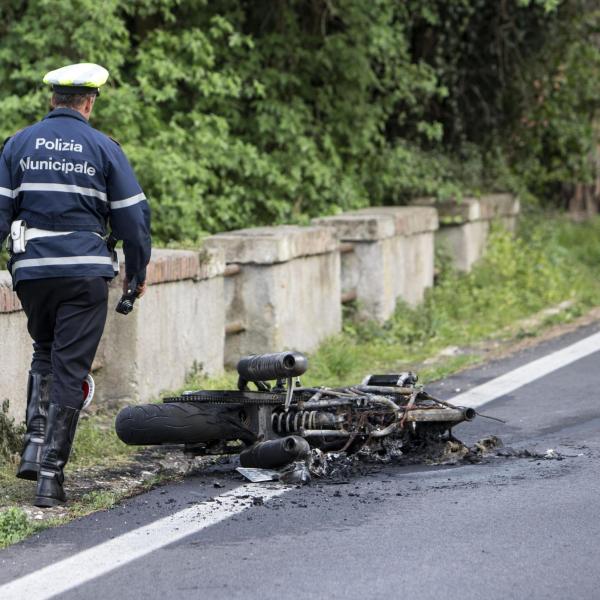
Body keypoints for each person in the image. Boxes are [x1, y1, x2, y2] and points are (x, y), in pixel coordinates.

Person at [0, 63, 151, 507]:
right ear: (88, 102)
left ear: (53, 100)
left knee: (44, 350)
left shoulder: (17, 145)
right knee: (69, 367)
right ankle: (50, 477)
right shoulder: (104, 148)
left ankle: (34, 444)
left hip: (32, 273)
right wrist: (136, 273)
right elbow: (134, 220)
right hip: (84, 274)